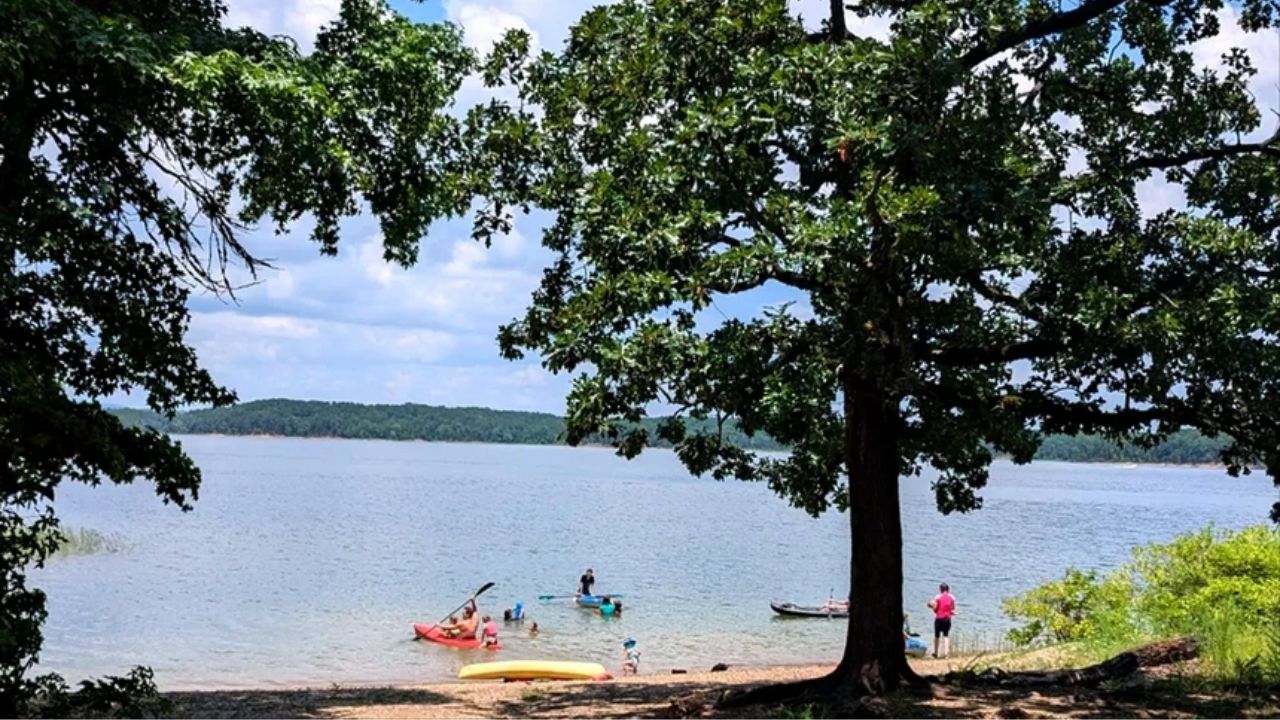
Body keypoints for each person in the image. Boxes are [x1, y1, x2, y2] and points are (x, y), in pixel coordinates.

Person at [927, 582, 956, 658]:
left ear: (941, 589)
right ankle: (946, 654)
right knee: (946, 636)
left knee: (937, 636)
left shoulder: (938, 597)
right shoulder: (952, 597)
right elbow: (952, 609)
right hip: (947, 618)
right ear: (948, 589)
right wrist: (952, 613)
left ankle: (936, 653)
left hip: (939, 618)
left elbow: (936, 608)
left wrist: (932, 607)